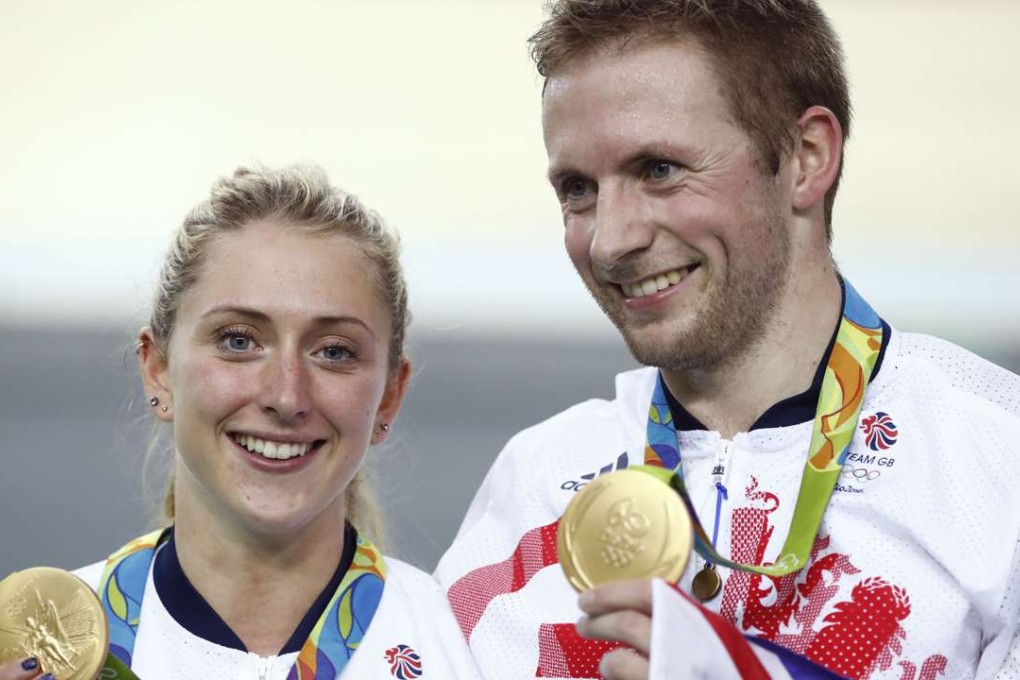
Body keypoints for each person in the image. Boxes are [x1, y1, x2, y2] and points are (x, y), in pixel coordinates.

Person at [435, 1, 1020, 678]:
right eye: (578, 188)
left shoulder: (995, 462)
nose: (611, 239)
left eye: (658, 169)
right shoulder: (534, 487)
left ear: (806, 159)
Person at [1, 165, 478, 679]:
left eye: (334, 351)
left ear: (390, 395)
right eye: (238, 341)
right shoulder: (35, 650)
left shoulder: (467, 650)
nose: (286, 394)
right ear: (158, 371)